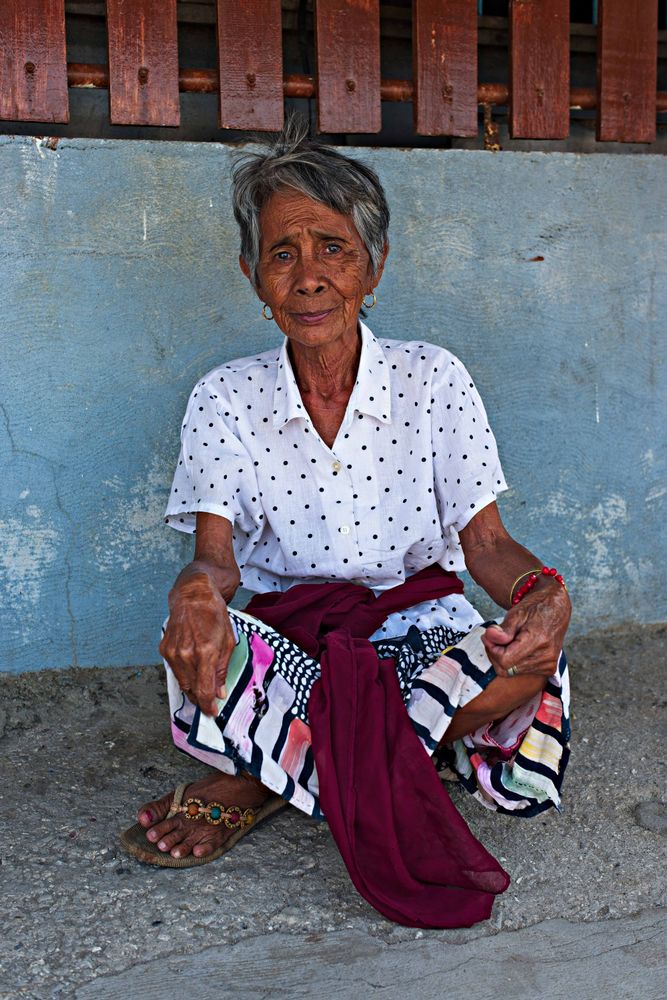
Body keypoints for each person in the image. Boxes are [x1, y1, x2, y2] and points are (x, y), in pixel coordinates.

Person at [121, 119, 571, 878]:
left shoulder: (433, 379)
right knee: (199, 649)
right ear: (251, 272)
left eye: (333, 248)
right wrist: (194, 596)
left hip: (419, 631)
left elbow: (486, 547)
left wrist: (543, 596)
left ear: (375, 264)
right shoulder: (225, 395)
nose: (308, 277)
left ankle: (267, 773)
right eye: (282, 253)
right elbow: (214, 559)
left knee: (527, 667)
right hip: (290, 643)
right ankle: (390, 753)